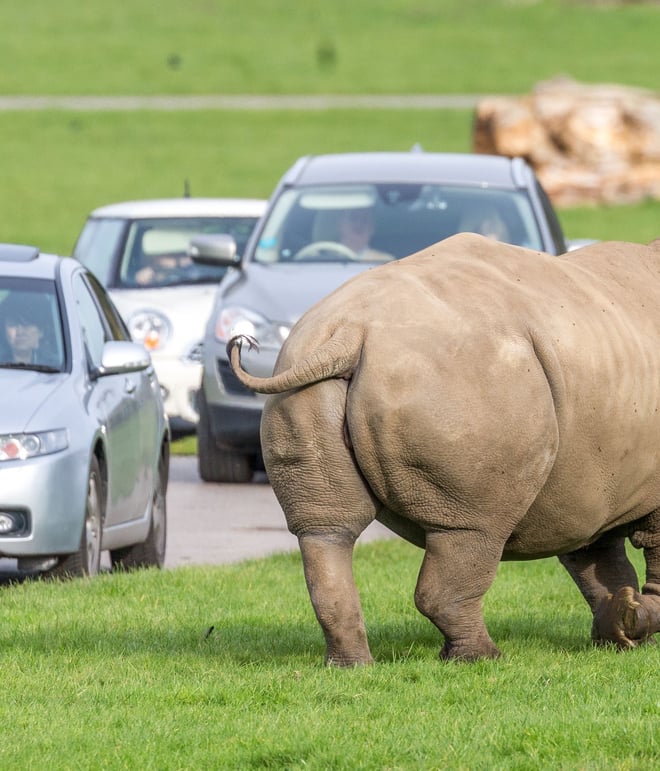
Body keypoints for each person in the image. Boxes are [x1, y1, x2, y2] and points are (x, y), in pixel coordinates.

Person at [0, 293, 49, 365]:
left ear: (41, 331)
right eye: (13, 323)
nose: (20, 331)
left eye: (27, 324)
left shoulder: (55, 366)